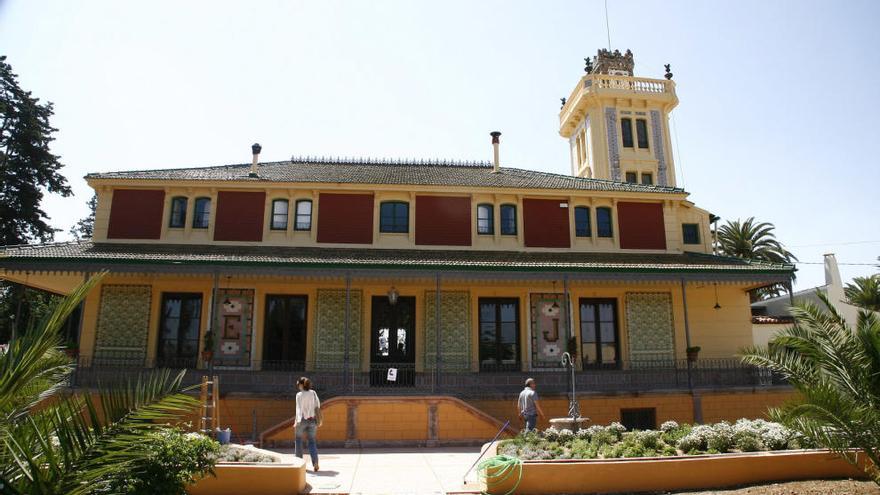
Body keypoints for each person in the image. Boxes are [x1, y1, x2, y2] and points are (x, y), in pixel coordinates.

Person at [294, 376, 320, 471]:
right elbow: (318, 405)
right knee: (312, 441)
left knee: (298, 440)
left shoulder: (299, 395)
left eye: (298, 385)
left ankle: (299, 464)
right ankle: (315, 462)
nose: (298, 387)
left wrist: (297, 421)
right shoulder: (313, 393)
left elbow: (298, 409)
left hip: (302, 420)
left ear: (301, 385)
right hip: (312, 420)